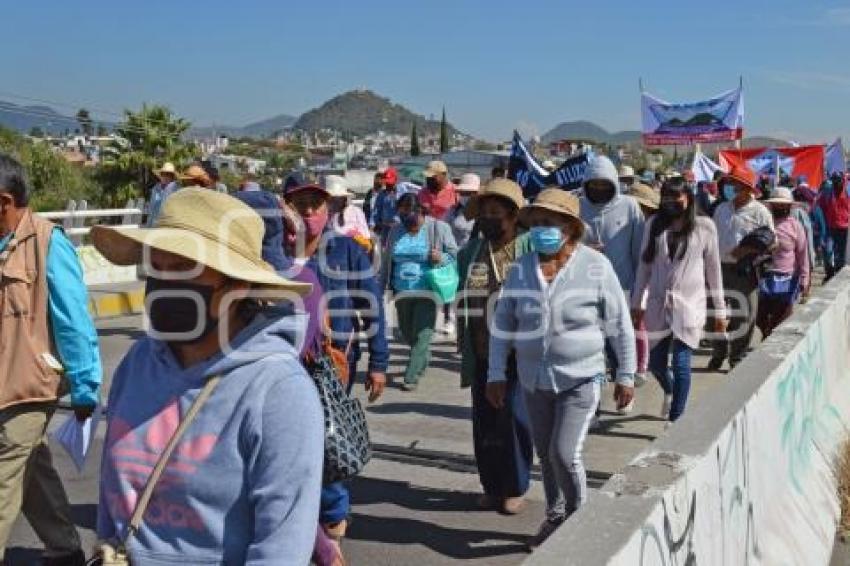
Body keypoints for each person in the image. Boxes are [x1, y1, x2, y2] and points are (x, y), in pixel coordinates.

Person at [90, 188, 322, 564]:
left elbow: (281, 549)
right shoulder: (138, 363)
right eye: (156, 266)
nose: (163, 283)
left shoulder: (278, 392)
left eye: (182, 267)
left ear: (237, 287)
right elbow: (111, 503)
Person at [487, 188, 636, 548]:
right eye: (535, 224)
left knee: (564, 453)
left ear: (570, 227)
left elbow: (620, 323)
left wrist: (627, 373)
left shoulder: (596, 266)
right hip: (533, 381)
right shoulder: (521, 269)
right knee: (545, 454)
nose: (540, 230)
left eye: (548, 223)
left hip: (580, 379)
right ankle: (554, 517)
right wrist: (496, 373)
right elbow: (503, 322)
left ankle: (578, 517)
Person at [0, 153, 102, 566]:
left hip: (28, 386)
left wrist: (85, 385)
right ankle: (65, 549)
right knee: (30, 469)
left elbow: (73, 320)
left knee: (3, 476)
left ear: (4, 200)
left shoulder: (47, 243)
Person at [281, 180, 388, 551]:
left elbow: (370, 304)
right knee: (286, 442)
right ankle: (291, 516)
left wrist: (379, 361)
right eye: (300, 205)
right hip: (281, 364)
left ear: (328, 210)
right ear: (288, 209)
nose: (308, 211)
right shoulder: (276, 254)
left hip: (332, 364)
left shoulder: (346, 249)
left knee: (328, 439)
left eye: (315, 204)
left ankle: (332, 518)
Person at [457, 178, 534, 516]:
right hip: (482, 349)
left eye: (495, 213)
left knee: (515, 418)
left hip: (520, 351)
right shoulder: (471, 252)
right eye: (483, 214)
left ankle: (515, 486)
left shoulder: (530, 248)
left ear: (513, 215)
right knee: (485, 422)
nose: (487, 219)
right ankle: (490, 484)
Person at [631, 177, 726, 423]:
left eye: (677, 197)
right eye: (666, 197)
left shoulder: (705, 227)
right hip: (658, 303)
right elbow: (644, 266)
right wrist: (636, 302)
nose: (671, 202)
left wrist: (721, 311)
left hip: (689, 304)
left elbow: (714, 270)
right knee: (656, 364)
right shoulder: (654, 224)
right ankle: (671, 390)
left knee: (682, 362)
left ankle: (676, 419)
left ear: (689, 198)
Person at [579, 155, 645, 394]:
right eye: (593, 184)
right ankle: (593, 404)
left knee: (619, 345)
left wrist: (640, 294)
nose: (598, 189)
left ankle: (624, 384)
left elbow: (638, 251)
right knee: (593, 349)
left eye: (604, 184)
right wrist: (583, 248)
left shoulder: (630, 206)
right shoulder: (577, 206)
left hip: (623, 288)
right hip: (585, 291)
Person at [383, 193, 458, 390]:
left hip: (427, 290)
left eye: (411, 214)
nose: (407, 219)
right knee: (408, 334)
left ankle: (411, 376)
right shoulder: (395, 231)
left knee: (423, 334)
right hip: (401, 290)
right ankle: (423, 356)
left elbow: (455, 255)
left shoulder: (437, 228)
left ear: (420, 211)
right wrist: (383, 285)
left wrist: (440, 257)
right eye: (402, 214)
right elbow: (387, 260)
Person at [709, 163, 774, 370]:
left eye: (734, 184)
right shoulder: (720, 209)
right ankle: (719, 352)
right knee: (713, 315)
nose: (730, 187)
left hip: (744, 271)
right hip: (718, 268)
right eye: (729, 183)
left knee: (745, 315)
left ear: (747, 188)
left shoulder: (760, 212)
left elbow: (773, 241)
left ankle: (737, 356)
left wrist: (746, 250)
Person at [757, 187, 810, 338]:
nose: (780, 207)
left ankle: (769, 343)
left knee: (781, 319)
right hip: (764, 277)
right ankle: (765, 334)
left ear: (789, 206)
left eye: (783, 204)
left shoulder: (795, 226)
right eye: (777, 204)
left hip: (788, 280)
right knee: (760, 317)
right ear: (771, 206)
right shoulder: (764, 223)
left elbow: (802, 254)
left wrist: (805, 279)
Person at [626, 182, 660, 387]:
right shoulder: (627, 224)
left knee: (639, 324)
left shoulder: (653, 227)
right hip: (630, 280)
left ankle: (641, 367)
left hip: (646, 281)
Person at [325, 174, 371, 251]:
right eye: (330, 199)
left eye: (335, 198)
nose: (332, 202)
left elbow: (367, 239)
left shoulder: (356, 212)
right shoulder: (326, 215)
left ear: (344, 199)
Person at [818, 174, 850, 281]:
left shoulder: (848, 190)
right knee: (827, 250)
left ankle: (838, 273)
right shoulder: (827, 192)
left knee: (840, 253)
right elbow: (820, 207)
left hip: (844, 228)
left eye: (839, 182)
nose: (837, 185)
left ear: (842, 181)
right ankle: (830, 272)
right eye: (834, 182)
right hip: (829, 227)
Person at [445, 172, 480, 248]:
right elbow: (444, 229)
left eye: (468, 194)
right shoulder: (453, 210)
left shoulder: (484, 213)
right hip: (455, 253)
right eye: (462, 193)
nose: (464, 197)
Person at [372, 166, 401, 242]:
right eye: (387, 183)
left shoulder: (400, 193)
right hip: (384, 228)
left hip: (398, 227)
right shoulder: (381, 195)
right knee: (384, 249)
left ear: (395, 180)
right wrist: (376, 223)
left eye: (390, 183)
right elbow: (376, 210)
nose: (388, 185)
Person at [146, 162, 179, 227]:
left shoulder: (175, 188)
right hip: (153, 222)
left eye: (168, 174)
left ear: (172, 177)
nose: (165, 176)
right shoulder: (156, 188)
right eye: (163, 174)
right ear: (160, 175)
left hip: (168, 223)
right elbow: (151, 208)